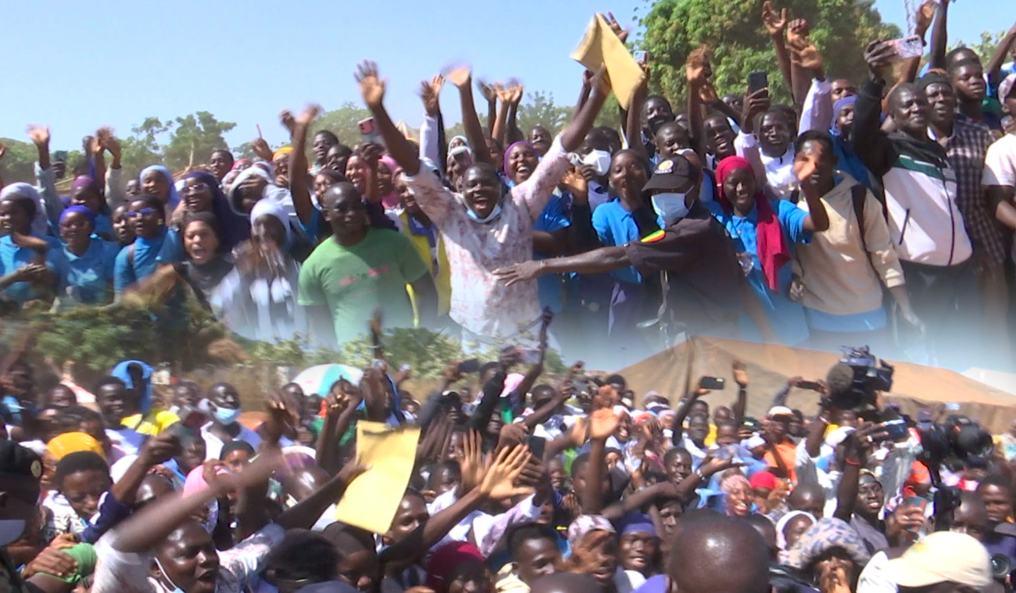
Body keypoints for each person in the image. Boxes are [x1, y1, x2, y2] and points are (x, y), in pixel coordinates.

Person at [357, 60, 609, 347]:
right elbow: (412, 166)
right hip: (474, 342)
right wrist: (378, 109)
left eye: (487, 184)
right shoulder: (449, 212)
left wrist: (598, 96)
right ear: (459, 190)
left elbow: (562, 149)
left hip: (527, 336)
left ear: (502, 187)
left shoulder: (520, 204)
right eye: (472, 185)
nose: (479, 189)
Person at [496, 155, 769, 348]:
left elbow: (619, 256)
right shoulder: (698, 223)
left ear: (695, 187)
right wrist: (770, 336)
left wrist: (543, 266)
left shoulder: (692, 230)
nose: (664, 196)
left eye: (673, 189)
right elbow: (740, 283)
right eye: (659, 190)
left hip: (708, 341)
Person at [852, 40, 976, 364]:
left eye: (921, 103)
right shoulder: (888, 150)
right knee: (916, 355)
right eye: (907, 106)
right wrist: (873, 80)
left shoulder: (939, 153)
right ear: (893, 115)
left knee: (954, 354)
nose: (917, 108)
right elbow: (860, 135)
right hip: (917, 273)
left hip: (958, 270)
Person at [790, 130, 917, 351]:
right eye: (806, 160)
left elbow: (883, 254)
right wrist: (795, 278)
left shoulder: (859, 198)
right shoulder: (792, 203)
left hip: (866, 314)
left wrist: (905, 307)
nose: (814, 167)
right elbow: (793, 254)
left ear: (834, 162)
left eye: (821, 159)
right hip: (818, 317)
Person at [706, 153, 829, 345]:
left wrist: (808, 189)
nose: (741, 189)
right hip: (749, 333)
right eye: (733, 183)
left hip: (790, 326)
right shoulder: (717, 220)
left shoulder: (779, 211)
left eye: (746, 181)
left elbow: (819, 224)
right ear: (722, 187)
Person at [297, 181, 436, 346]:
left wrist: (422, 338)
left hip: (403, 351)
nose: (351, 213)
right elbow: (320, 329)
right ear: (327, 214)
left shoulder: (394, 243)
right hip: (353, 359)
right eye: (342, 208)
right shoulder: (314, 266)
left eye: (356, 206)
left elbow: (428, 292)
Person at [48, 205, 119, 310]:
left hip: (104, 310)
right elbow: (47, 289)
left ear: (91, 227)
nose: (74, 229)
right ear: (60, 230)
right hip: (69, 313)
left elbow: (116, 289)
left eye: (80, 224)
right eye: (67, 225)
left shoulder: (108, 250)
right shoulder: (55, 255)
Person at [199, 383, 261, 460]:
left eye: (235, 397)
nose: (231, 400)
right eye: (224, 397)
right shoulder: (201, 439)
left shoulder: (253, 438)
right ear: (210, 405)